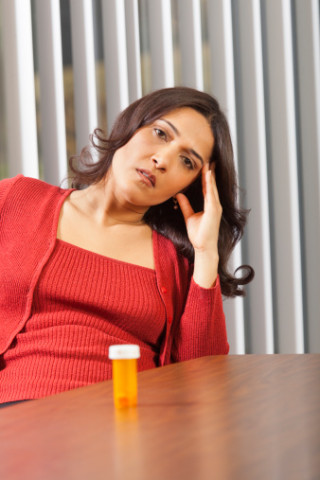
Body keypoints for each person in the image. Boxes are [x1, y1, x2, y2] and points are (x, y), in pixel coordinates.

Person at [0, 87, 254, 405]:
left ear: (192, 185)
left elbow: (203, 379)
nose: (162, 160)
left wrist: (205, 255)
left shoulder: (175, 261)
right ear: (130, 126)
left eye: (187, 161)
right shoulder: (15, 200)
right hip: (20, 417)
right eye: (160, 133)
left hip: (133, 425)